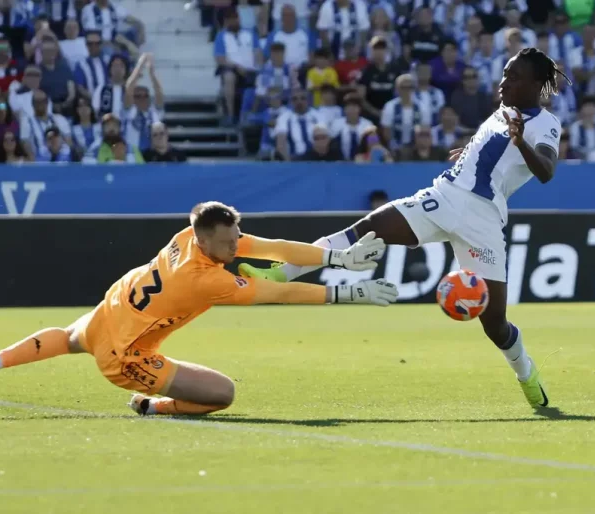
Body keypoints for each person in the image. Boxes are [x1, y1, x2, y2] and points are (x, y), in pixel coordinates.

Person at [240, 48, 568, 410]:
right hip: (444, 196)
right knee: (367, 228)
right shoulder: (503, 109)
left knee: (496, 326)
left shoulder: (545, 124)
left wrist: (520, 141)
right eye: (505, 73)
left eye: (515, 77)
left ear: (537, 85)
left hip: (483, 220)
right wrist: (471, 153)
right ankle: (281, 273)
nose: (504, 82)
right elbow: (492, 151)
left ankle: (527, 373)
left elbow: (547, 171)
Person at [0, 201, 398, 416]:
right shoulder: (207, 280)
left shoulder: (190, 238)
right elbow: (277, 292)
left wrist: (338, 257)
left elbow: (273, 248)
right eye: (228, 242)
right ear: (203, 240)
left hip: (113, 307)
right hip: (127, 353)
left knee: (69, 337)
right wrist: (345, 293)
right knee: (222, 395)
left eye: (236, 236)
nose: (236, 245)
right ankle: (151, 407)